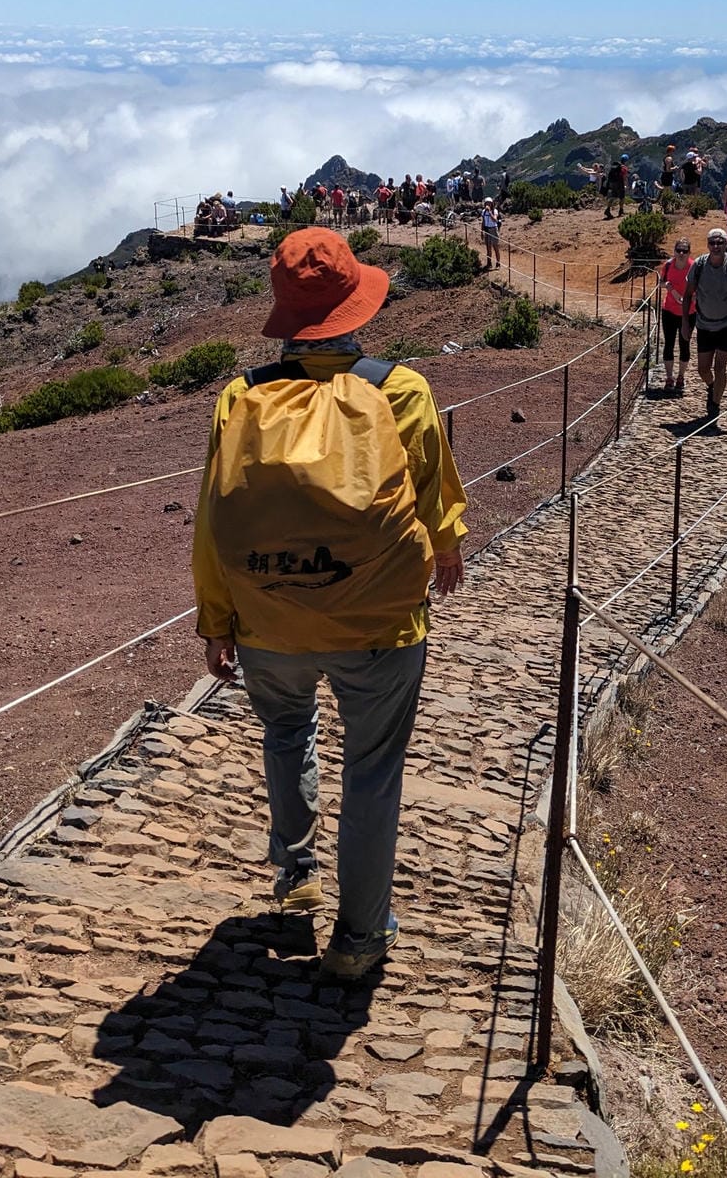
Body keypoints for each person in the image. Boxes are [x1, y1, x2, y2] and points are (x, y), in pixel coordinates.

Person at [192, 228, 467, 979]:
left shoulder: (241, 396)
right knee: (373, 770)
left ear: (285, 310)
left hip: (269, 616)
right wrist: (447, 550)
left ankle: (295, 872)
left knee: (286, 732)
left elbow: (212, 520)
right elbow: (433, 496)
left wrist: (216, 620)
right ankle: (361, 938)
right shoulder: (401, 389)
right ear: (356, 303)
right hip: (379, 624)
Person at [682, 227, 727, 419]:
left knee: (720, 367)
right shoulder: (699, 265)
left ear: (726, 244)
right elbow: (687, 295)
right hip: (704, 324)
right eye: (712, 242)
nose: (716, 246)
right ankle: (713, 387)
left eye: (720, 242)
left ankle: (715, 405)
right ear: (708, 245)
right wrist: (686, 323)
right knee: (703, 369)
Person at [657, 237, 692, 395]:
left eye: (684, 250)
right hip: (669, 310)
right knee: (669, 343)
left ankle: (681, 377)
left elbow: (700, 286)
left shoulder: (694, 267)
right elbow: (661, 282)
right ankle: (669, 377)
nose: (681, 253)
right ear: (674, 251)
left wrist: (691, 298)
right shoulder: (668, 265)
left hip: (688, 312)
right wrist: (668, 287)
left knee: (685, 344)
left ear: (689, 252)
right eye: (679, 250)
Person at [604, 154, 628, 219]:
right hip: (620, 184)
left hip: (613, 183)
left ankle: (608, 209)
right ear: (626, 161)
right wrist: (625, 185)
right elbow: (624, 177)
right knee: (622, 197)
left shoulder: (615, 166)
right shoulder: (624, 168)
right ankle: (621, 211)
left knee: (613, 196)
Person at [481, 197, 502, 269]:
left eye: (489, 203)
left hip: (493, 229)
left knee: (495, 247)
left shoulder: (494, 211)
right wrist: (482, 231)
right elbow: (483, 222)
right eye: (487, 203)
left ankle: (498, 263)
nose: (488, 205)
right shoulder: (483, 211)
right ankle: (489, 263)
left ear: (492, 204)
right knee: (488, 248)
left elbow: (495, 220)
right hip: (487, 230)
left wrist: (490, 212)